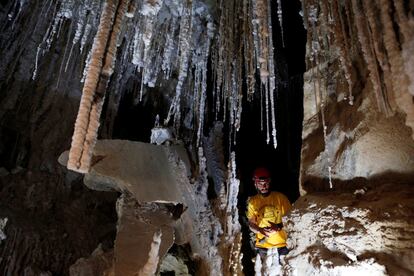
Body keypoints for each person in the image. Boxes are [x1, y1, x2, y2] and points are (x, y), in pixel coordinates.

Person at [246, 167, 292, 263]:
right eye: (260, 184)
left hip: (282, 244)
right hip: (263, 246)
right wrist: (260, 230)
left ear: (269, 182)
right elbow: (251, 224)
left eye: (266, 183)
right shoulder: (253, 202)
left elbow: (290, 220)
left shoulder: (281, 198)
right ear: (255, 184)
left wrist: (278, 227)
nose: (264, 186)